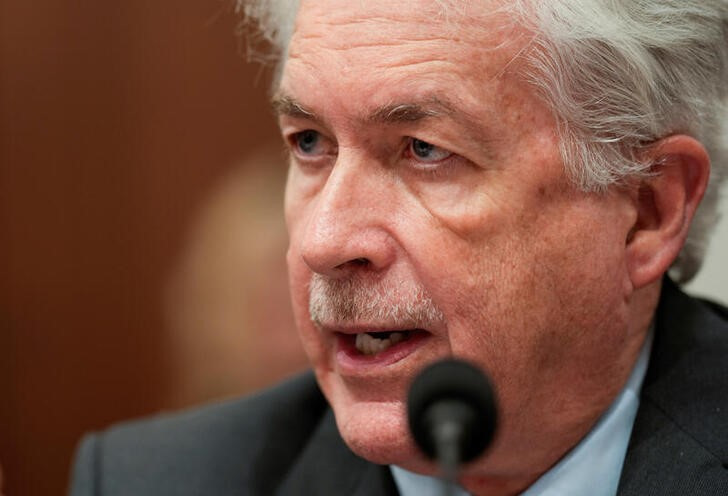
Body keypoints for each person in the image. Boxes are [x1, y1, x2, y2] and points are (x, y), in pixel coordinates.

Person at [69, 1, 728, 495]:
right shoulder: (152, 482)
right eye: (308, 142)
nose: (323, 242)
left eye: (426, 151)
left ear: (647, 210)